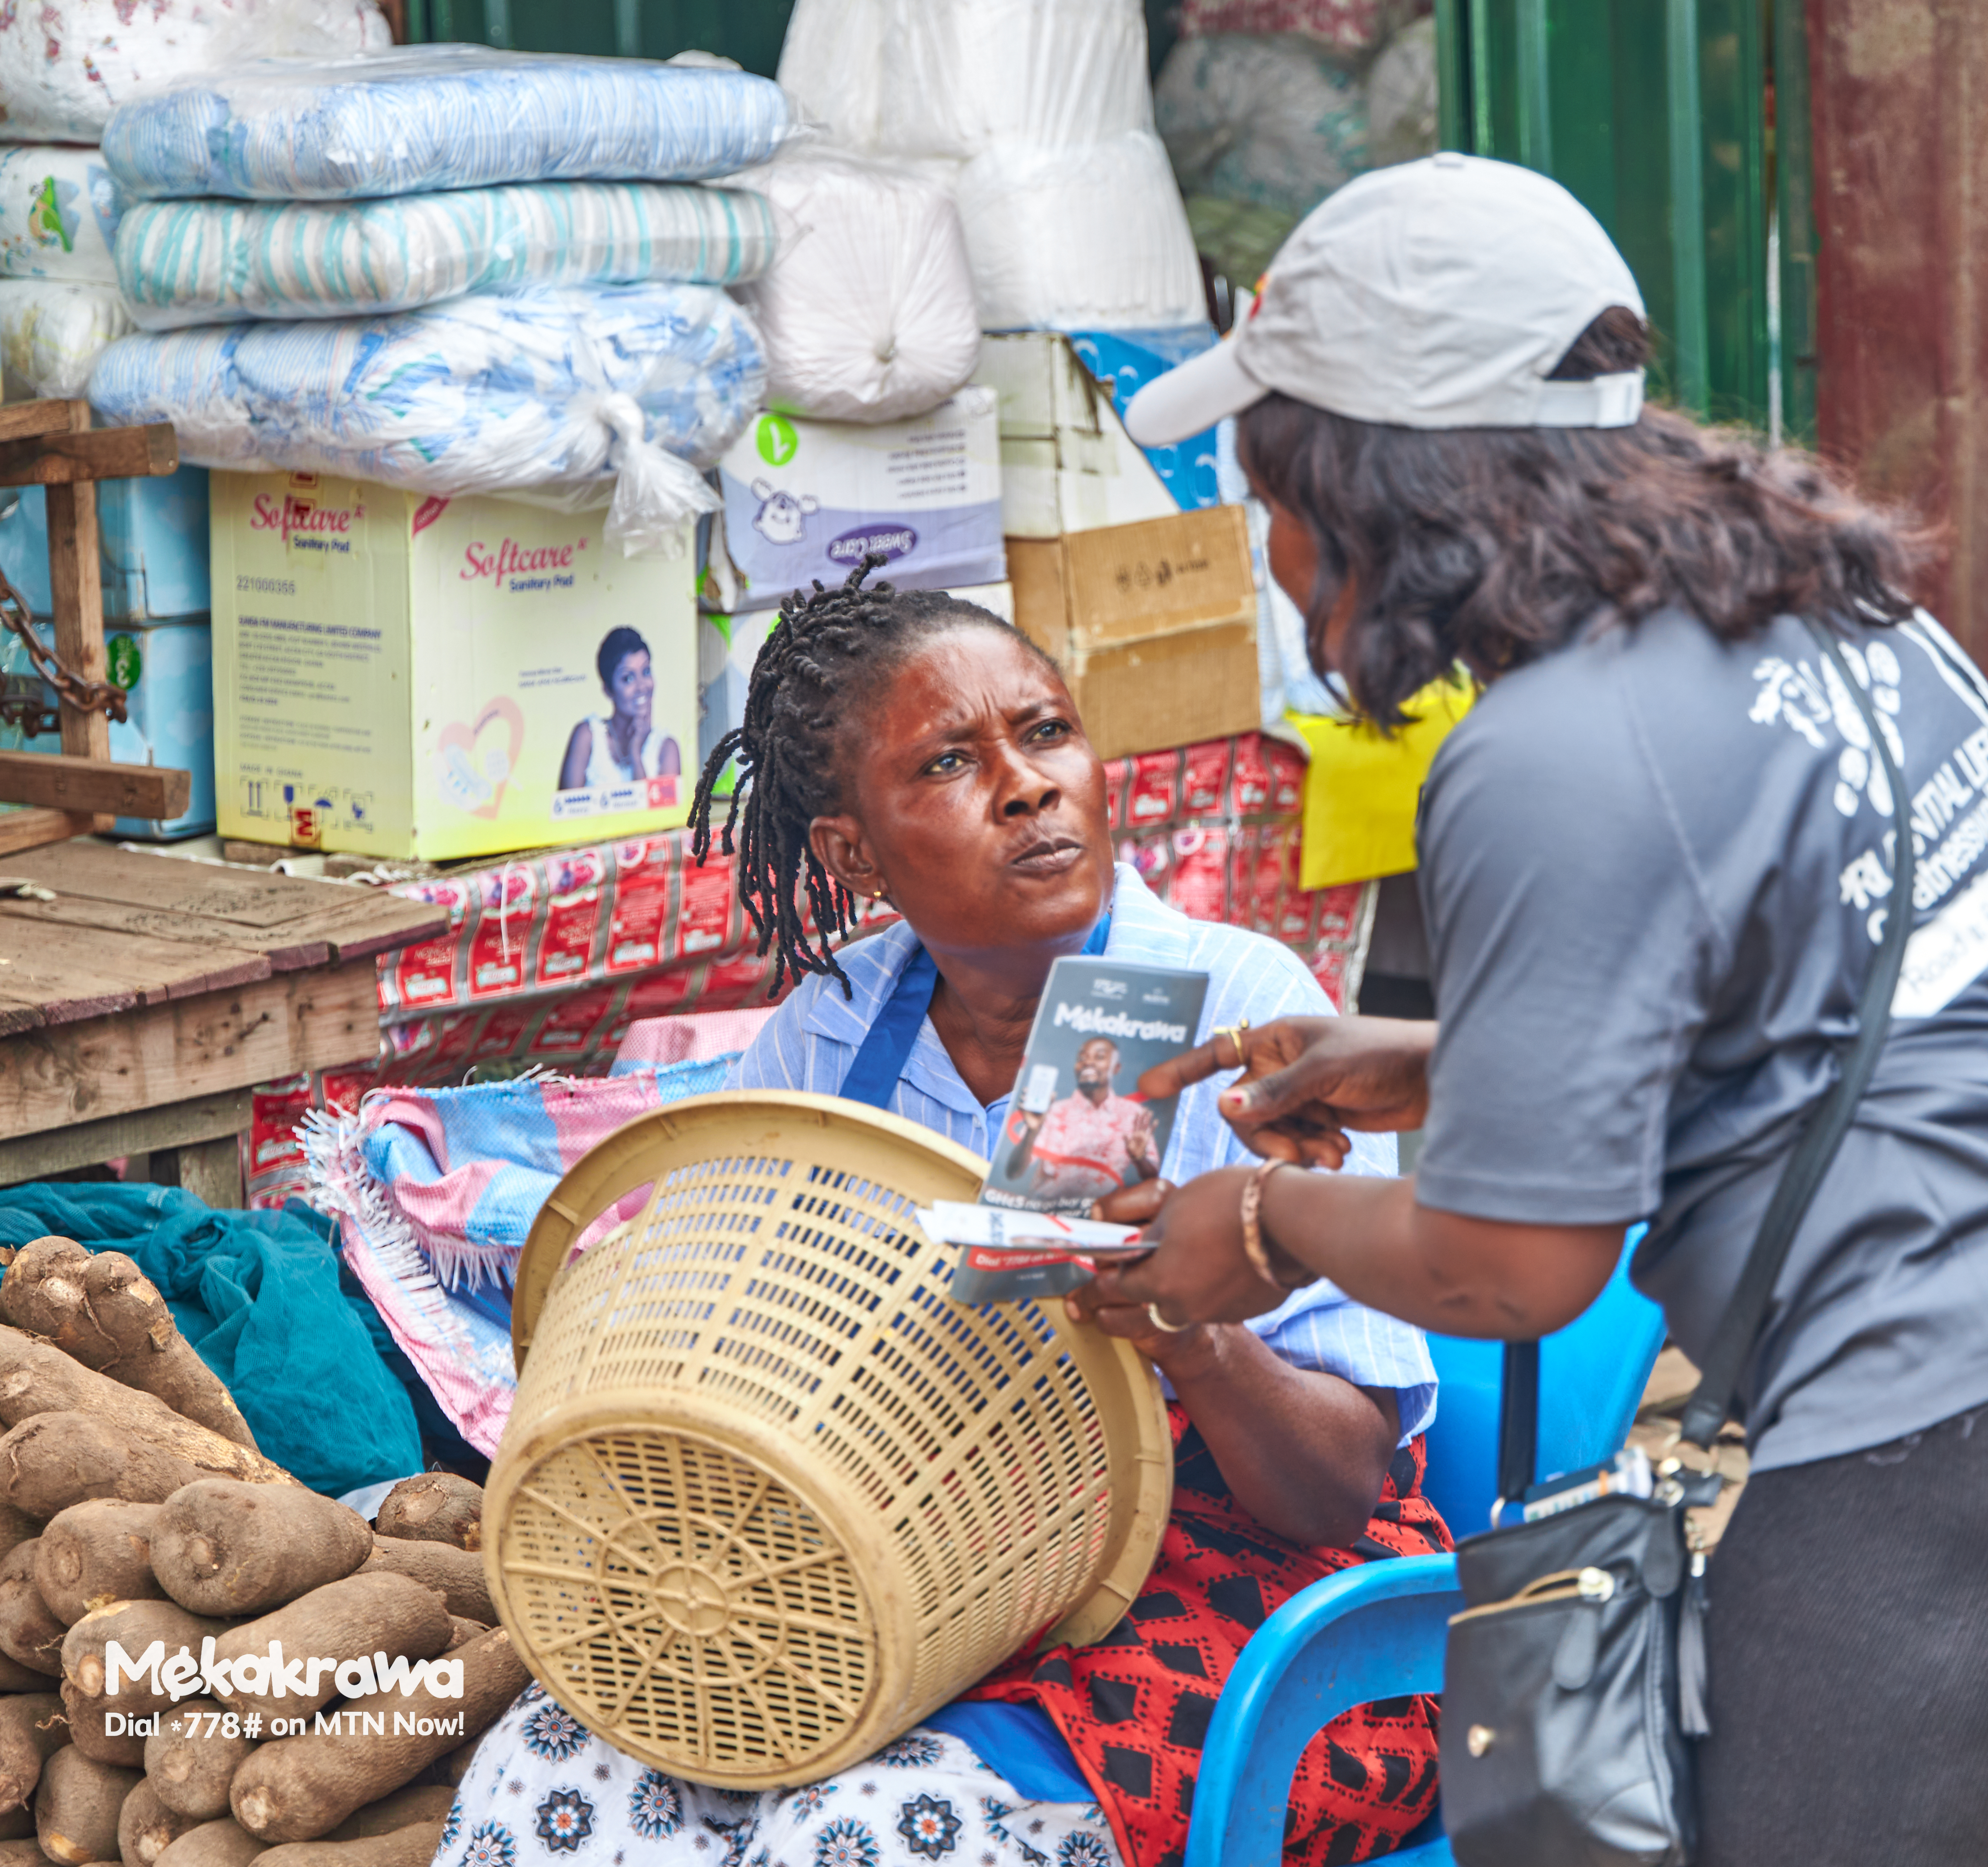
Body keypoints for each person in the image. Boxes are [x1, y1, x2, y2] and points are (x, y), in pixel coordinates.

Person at [1096, 153, 1988, 1867]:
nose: (1261, 549)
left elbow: (1511, 1261)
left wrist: (1258, 1219)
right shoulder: (1836, 613)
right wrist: (1440, 1060)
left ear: (1362, 487)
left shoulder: (1541, 750)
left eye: (1263, 490)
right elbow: (1878, 994)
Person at [438, 569, 1449, 1867]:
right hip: (921, 1566)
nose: (1027, 785)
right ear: (853, 849)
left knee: (852, 1828)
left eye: (1044, 732)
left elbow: (1342, 1486)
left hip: (1260, 1602)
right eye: (948, 763)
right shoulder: (835, 1028)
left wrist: (1189, 1331)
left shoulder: (1232, 1011)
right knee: (552, 1770)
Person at [997, 1034, 1163, 1207]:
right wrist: (1032, 1131)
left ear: (1116, 1068)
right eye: (1082, 1058)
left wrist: (1140, 1158)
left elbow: (1152, 1180)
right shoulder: (1053, 1111)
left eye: (1099, 1057)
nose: (1088, 1063)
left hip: (1102, 1215)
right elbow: (1013, 1173)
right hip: (1045, 1210)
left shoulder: (1135, 1115)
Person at [558, 625, 682, 793]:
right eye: (628, 678)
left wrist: (636, 755)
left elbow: (661, 817)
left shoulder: (666, 749)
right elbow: (566, 813)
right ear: (608, 691)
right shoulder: (588, 736)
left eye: (646, 672)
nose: (641, 687)